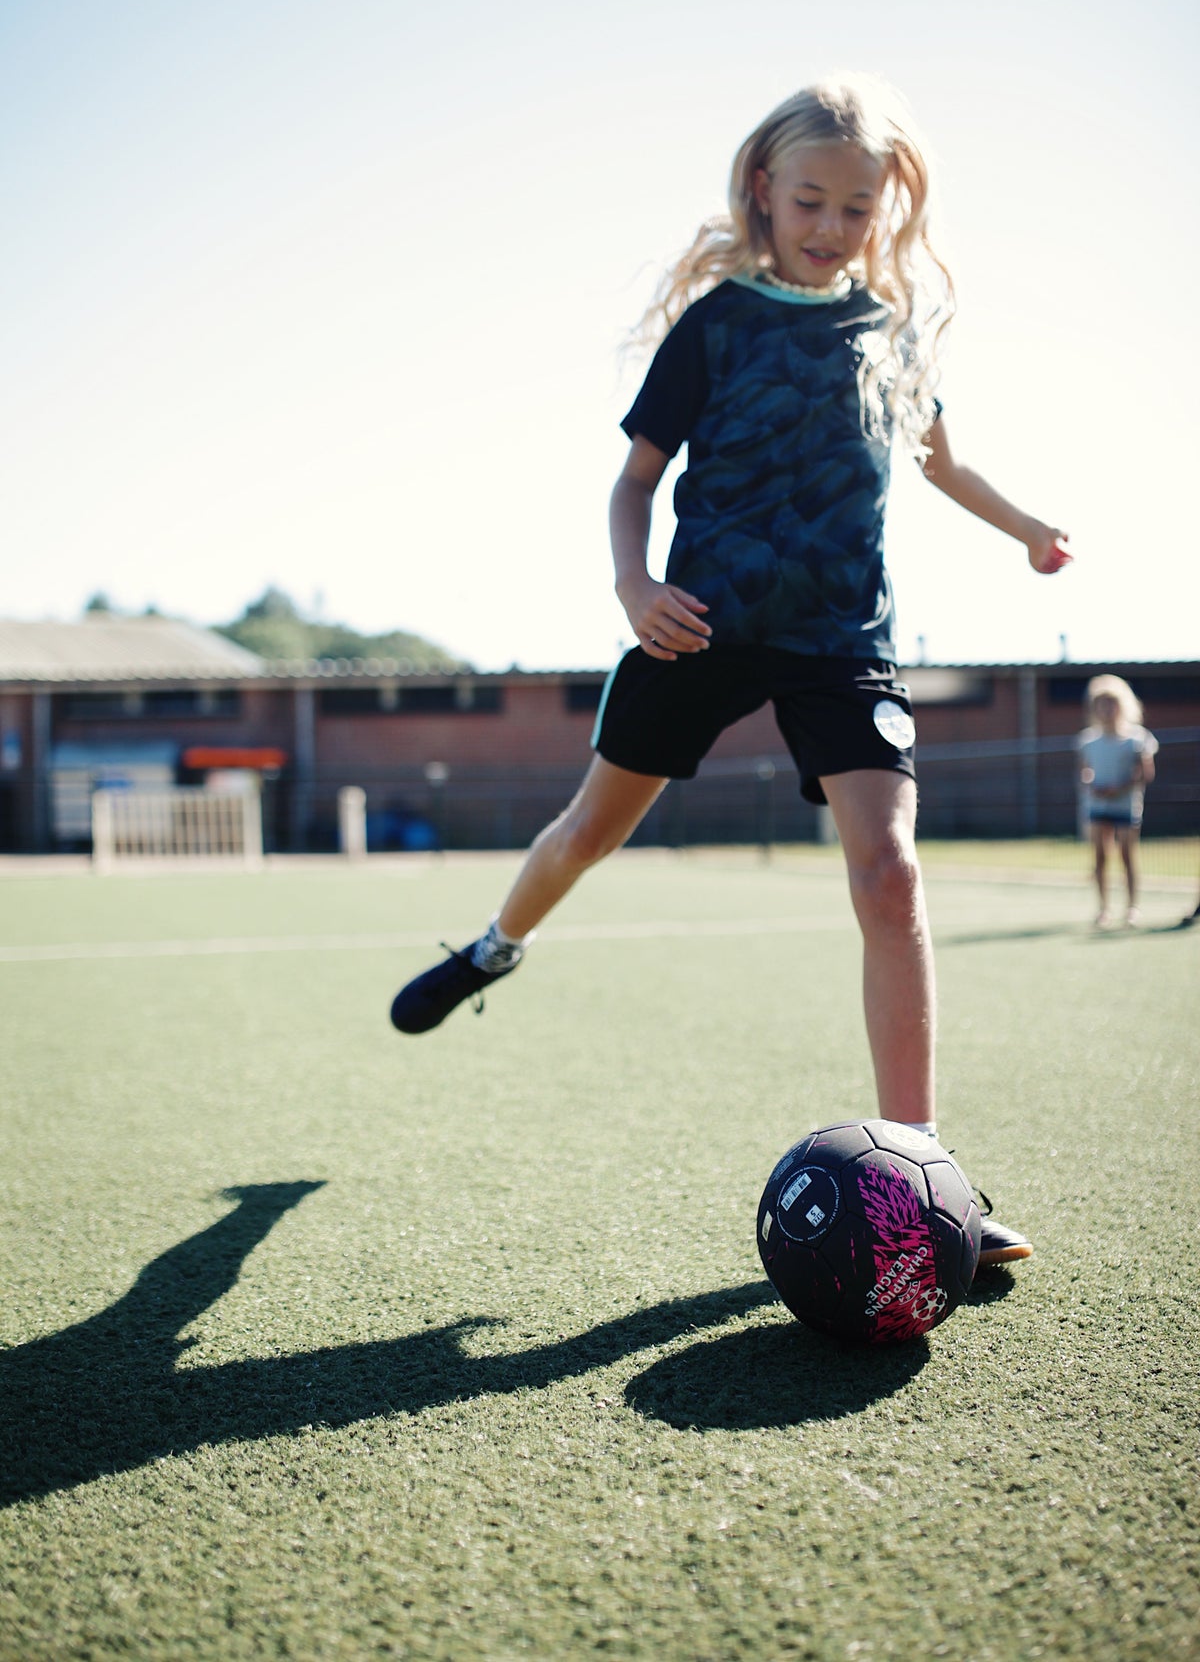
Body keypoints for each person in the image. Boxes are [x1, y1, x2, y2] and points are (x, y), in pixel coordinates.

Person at [391, 75, 1071, 1267]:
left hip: (843, 640)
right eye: (810, 199)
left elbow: (943, 465)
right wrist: (634, 588)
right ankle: (495, 945)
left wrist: (1026, 529)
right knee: (588, 835)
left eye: (857, 209)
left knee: (891, 875)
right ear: (765, 190)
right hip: (698, 623)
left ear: (887, 211)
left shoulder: (892, 333)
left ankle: (919, 1172)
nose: (830, 225)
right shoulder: (717, 323)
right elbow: (634, 482)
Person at [1078, 675, 1158, 929]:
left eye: (1111, 703)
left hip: (1125, 805)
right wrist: (1093, 785)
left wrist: (1119, 788)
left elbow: (1145, 774)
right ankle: (1103, 909)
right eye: (1101, 704)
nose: (1106, 709)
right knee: (1100, 857)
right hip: (1098, 806)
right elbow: (1085, 772)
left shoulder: (1137, 738)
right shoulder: (1087, 741)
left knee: (1127, 855)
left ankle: (1132, 907)